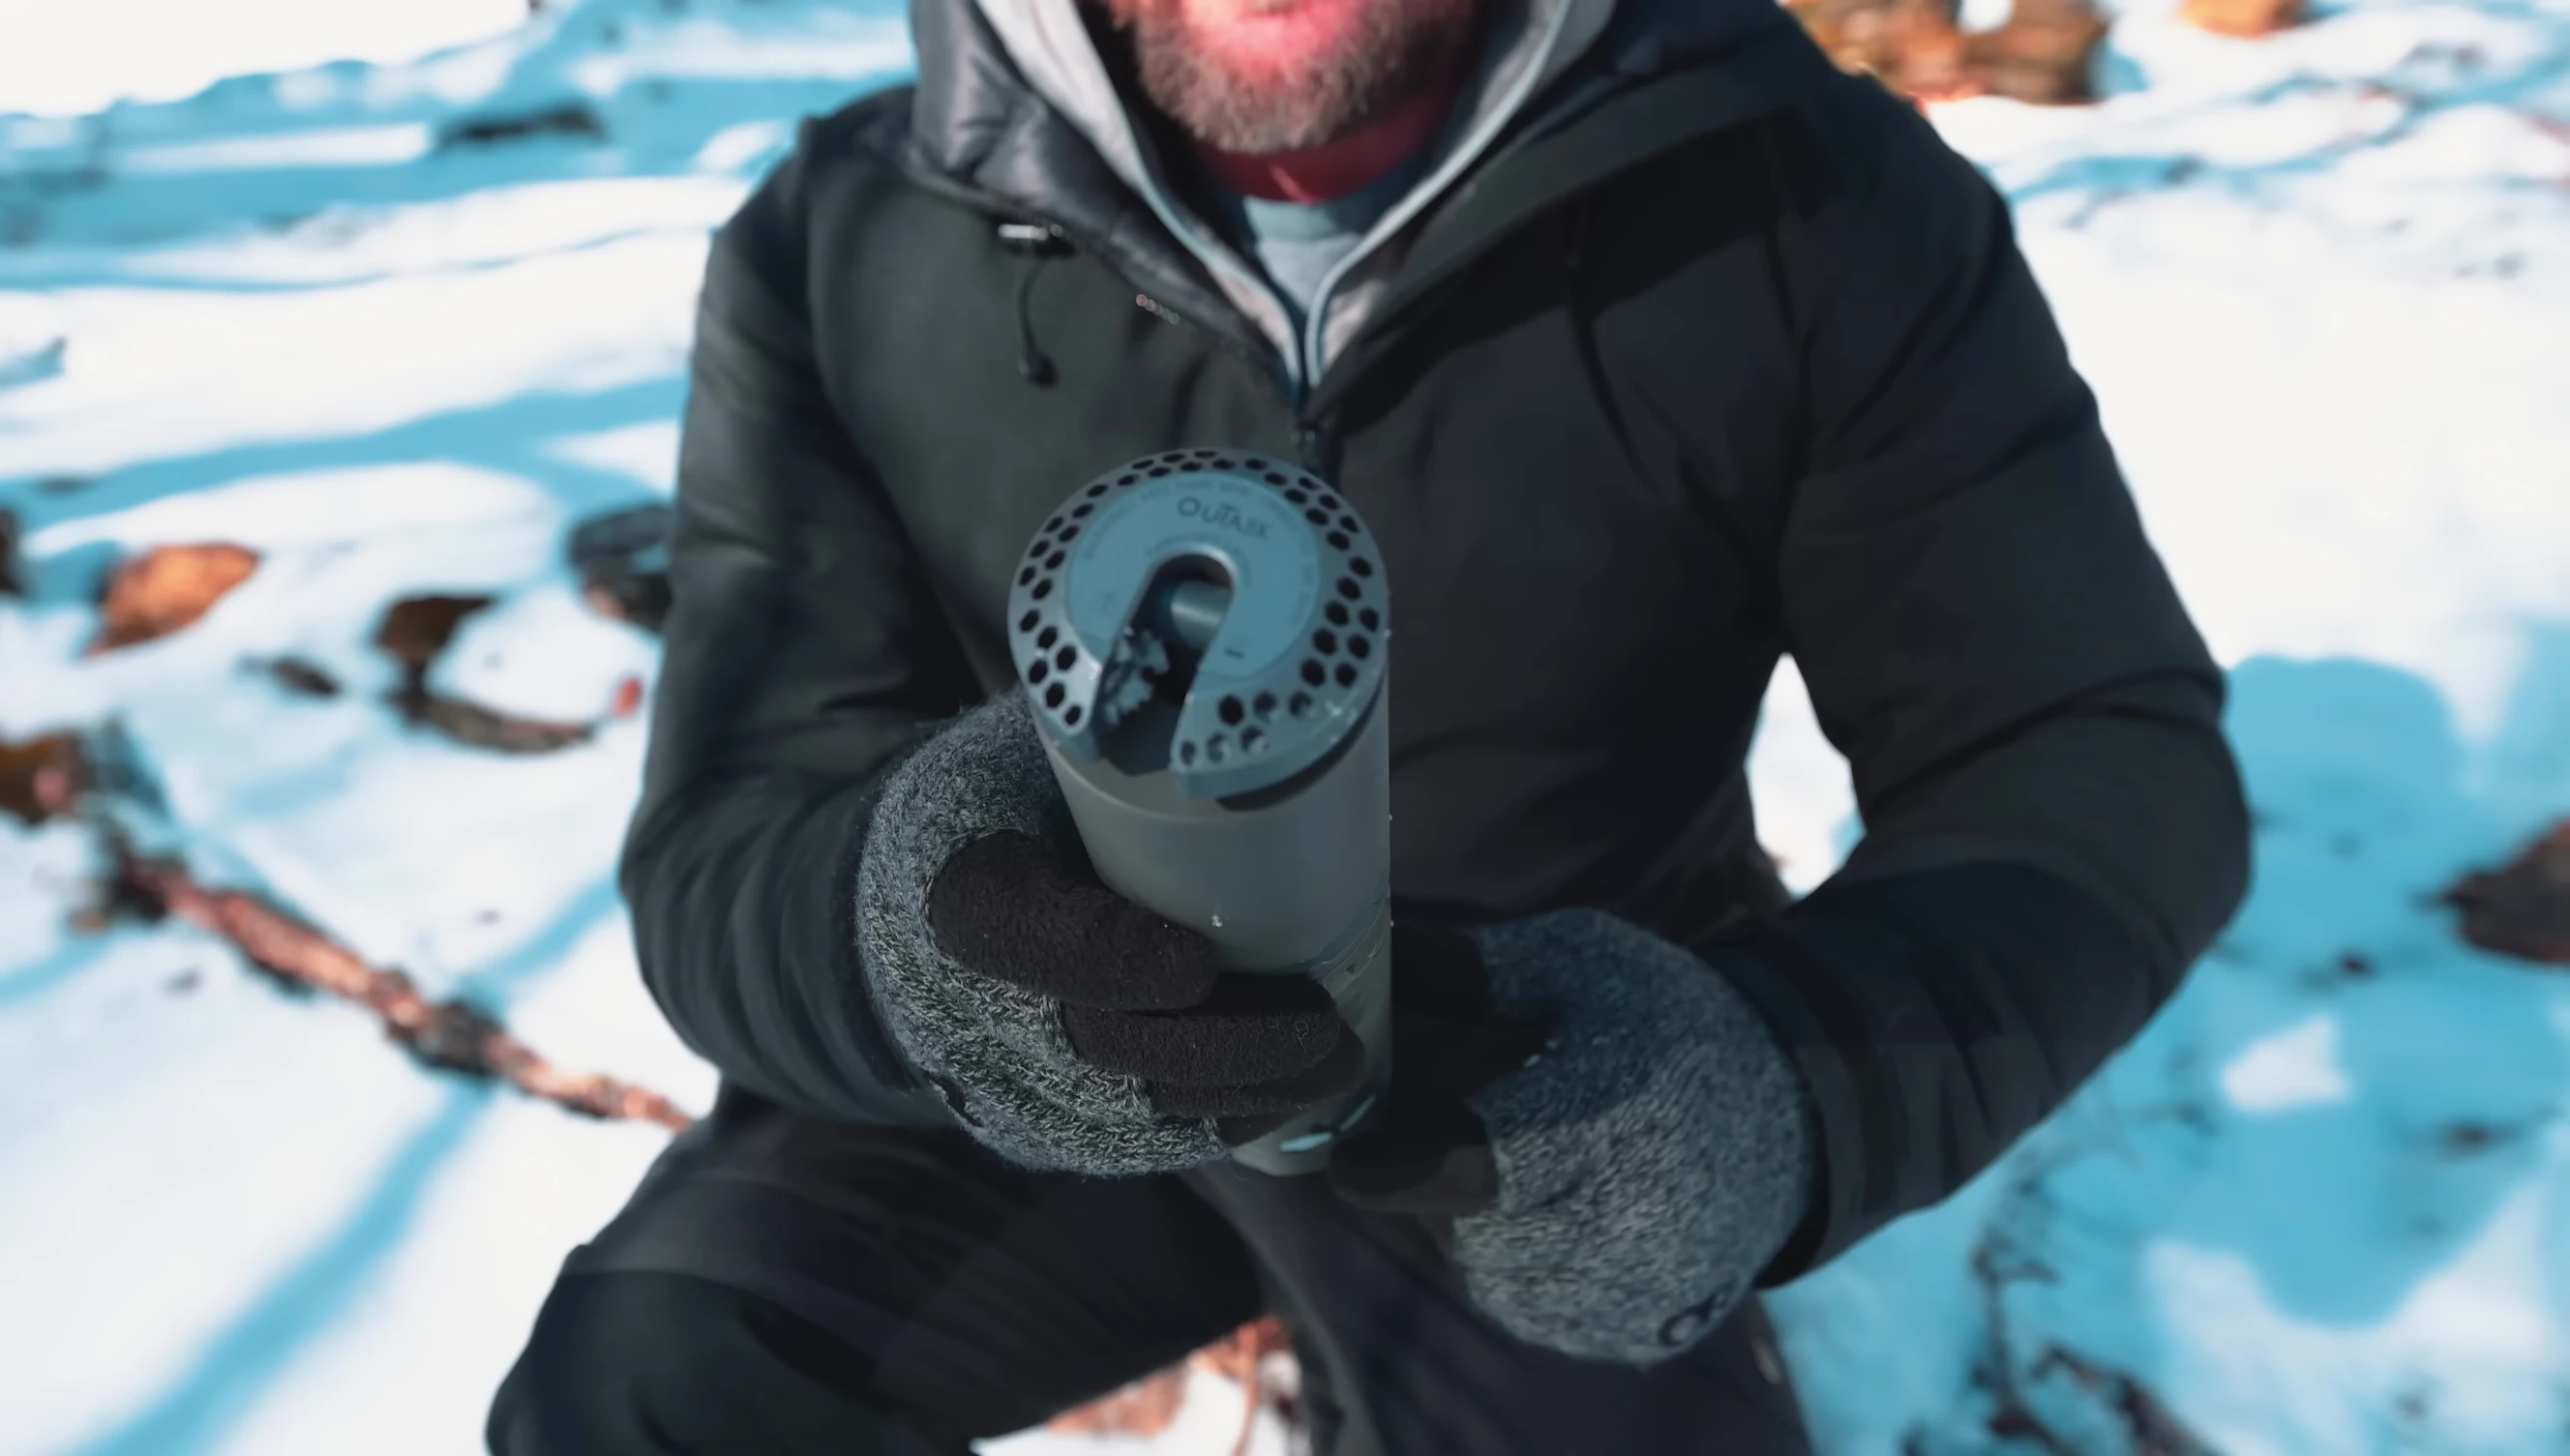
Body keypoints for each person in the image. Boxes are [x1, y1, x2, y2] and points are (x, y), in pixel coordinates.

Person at [485, 0, 2253, 1445]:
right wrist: (903, 940)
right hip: (1029, 1056)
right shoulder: (841, 238)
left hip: (1553, 1079)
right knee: (643, 1403)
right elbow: (736, 821)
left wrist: (1780, 1090)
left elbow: (2093, 755)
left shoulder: (1812, 202)